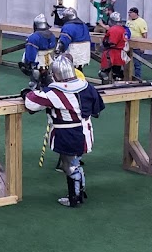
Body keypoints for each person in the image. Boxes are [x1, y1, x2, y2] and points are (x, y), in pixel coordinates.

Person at [23, 54, 105, 207]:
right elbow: (97, 110)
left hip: (69, 134)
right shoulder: (87, 86)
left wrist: (27, 92)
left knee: (69, 165)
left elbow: (31, 103)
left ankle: (74, 197)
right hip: (86, 131)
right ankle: (80, 191)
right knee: (75, 162)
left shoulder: (55, 92)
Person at [20, 14, 58, 91]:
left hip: (38, 63)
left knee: (34, 82)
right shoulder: (52, 35)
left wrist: (29, 64)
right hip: (49, 62)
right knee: (48, 80)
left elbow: (31, 53)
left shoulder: (34, 37)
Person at [56, 7, 91, 71]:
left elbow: (63, 42)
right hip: (84, 53)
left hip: (73, 53)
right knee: (79, 71)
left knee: (70, 72)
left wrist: (58, 52)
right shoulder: (84, 25)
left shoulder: (68, 27)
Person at [99, 12, 129, 84]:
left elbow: (112, 43)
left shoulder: (114, 29)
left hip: (112, 53)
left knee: (104, 73)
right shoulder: (122, 29)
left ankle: (106, 88)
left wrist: (104, 44)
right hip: (119, 53)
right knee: (117, 73)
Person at [126, 7, 148, 79]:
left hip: (137, 45)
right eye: (129, 13)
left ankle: (137, 78)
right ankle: (127, 77)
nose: (129, 14)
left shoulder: (141, 21)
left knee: (137, 64)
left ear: (135, 13)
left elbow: (144, 34)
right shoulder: (128, 21)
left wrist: (143, 46)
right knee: (126, 62)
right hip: (128, 45)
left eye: (130, 13)